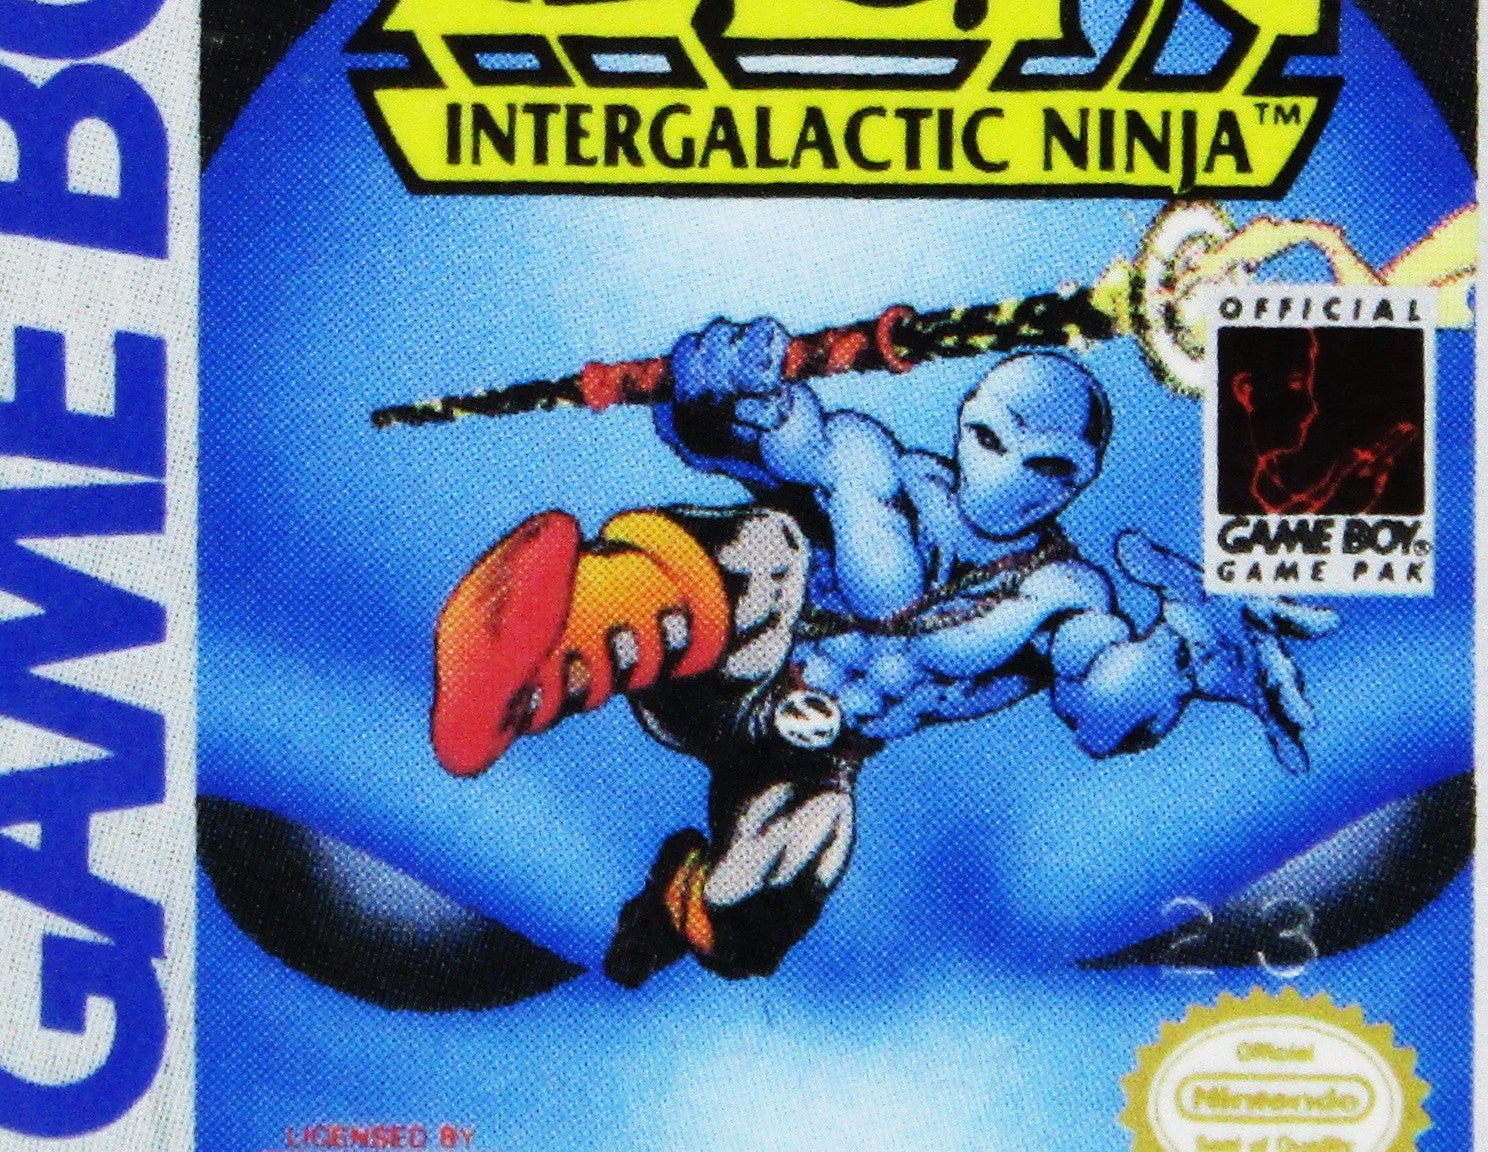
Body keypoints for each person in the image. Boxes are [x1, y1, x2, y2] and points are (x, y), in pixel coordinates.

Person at [418, 315, 1326, 984]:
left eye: (1048, 467)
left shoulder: (1064, 595)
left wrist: (1188, 651)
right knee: (769, 553)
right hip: (727, 659)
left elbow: (1103, 702)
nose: (1008, 476)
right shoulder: (871, 465)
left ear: (1079, 480)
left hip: (807, 750)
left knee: (784, 879)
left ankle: (681, 902)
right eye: (990, 438)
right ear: (966, 420)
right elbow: (748, 436)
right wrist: (716, 385)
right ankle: (539, 643)